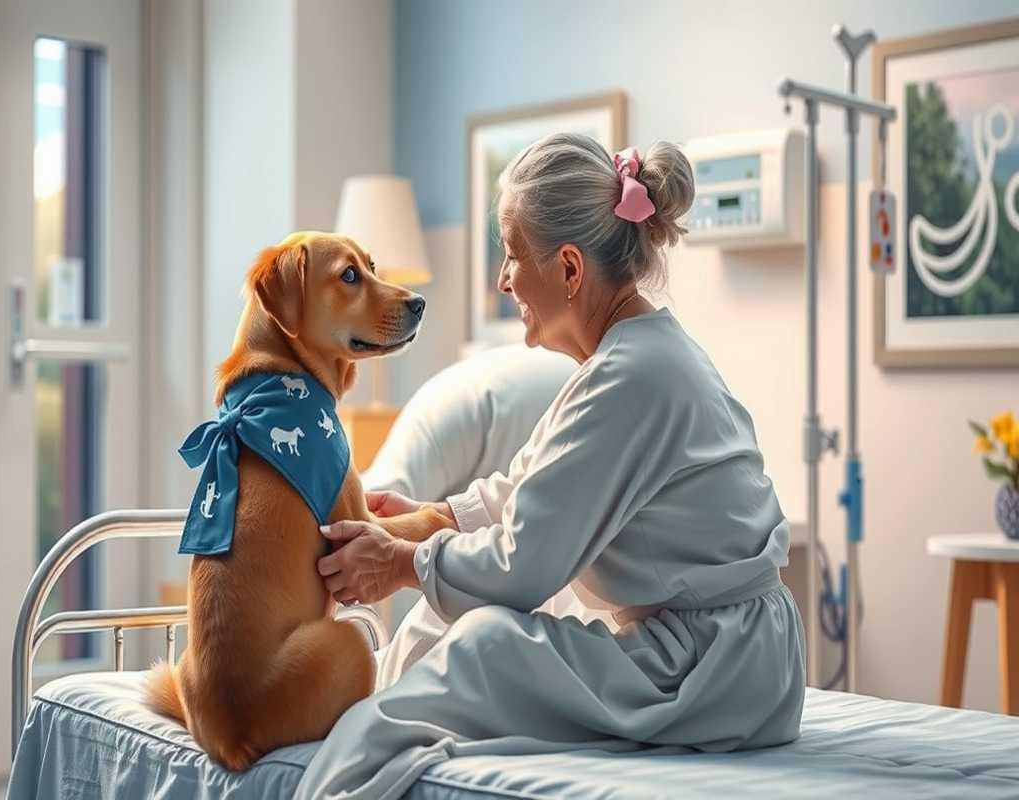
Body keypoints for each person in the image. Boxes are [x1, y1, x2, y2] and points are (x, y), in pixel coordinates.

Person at [298, 133, 805, 800]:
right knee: (442, 621)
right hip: (729, 657)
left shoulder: (634, 376)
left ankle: (327, 777)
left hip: (713, 671)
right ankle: (346, 723)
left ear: (569, 269)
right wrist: (428, 521)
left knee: (483, 643)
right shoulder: (632, 357)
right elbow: (531, 488)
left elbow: (521, 566)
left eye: (510, 258)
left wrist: (397, 564)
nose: (503, 280)